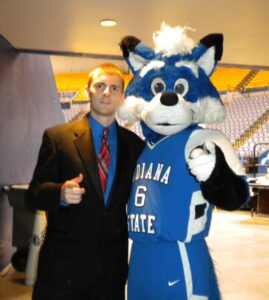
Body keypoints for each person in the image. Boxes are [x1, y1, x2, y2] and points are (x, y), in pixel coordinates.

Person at [27, 63, 144, 300]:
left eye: (114, 88)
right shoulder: (58, 138)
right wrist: (59, 193)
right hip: (64, 270)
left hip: (110, 272)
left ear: (122, 97)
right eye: (100, 86)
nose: (106, 93)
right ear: (88, 90)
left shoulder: (135, 146)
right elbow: (35, 193)